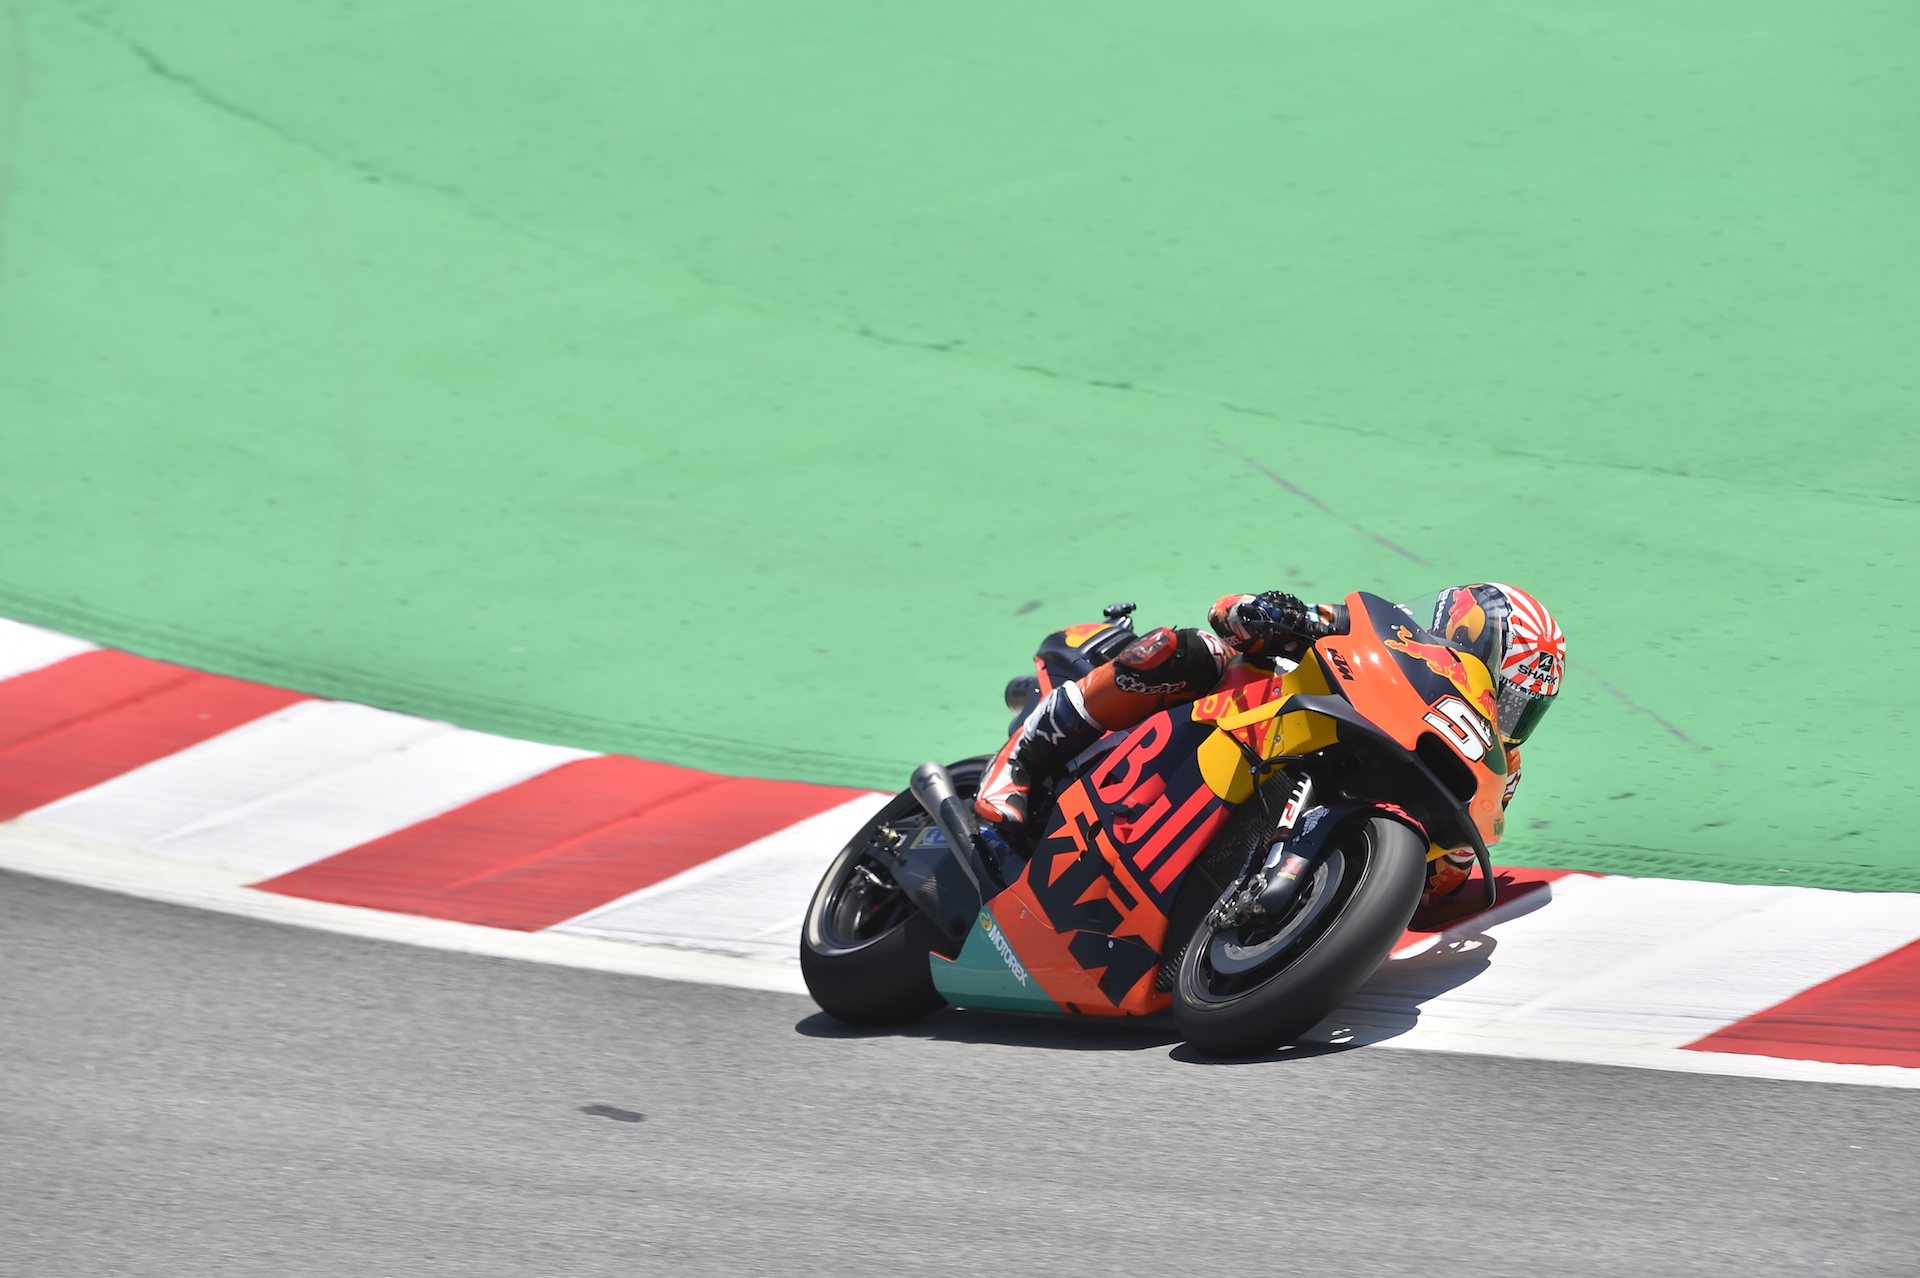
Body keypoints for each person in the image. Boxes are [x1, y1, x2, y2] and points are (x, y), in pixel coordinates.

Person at [972, 584, 1566, 905]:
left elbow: (1442, 890)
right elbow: (1228, 610)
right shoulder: (1400, 640)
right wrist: (1267, 614)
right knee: (1189, 650)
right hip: (1245, 713)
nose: (1506, 713)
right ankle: (1020, 760)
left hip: (1317, 789)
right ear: (1465, 635)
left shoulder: (1497, 766)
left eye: (1523, 707)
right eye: (1505, 692)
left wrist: (1453, 854)